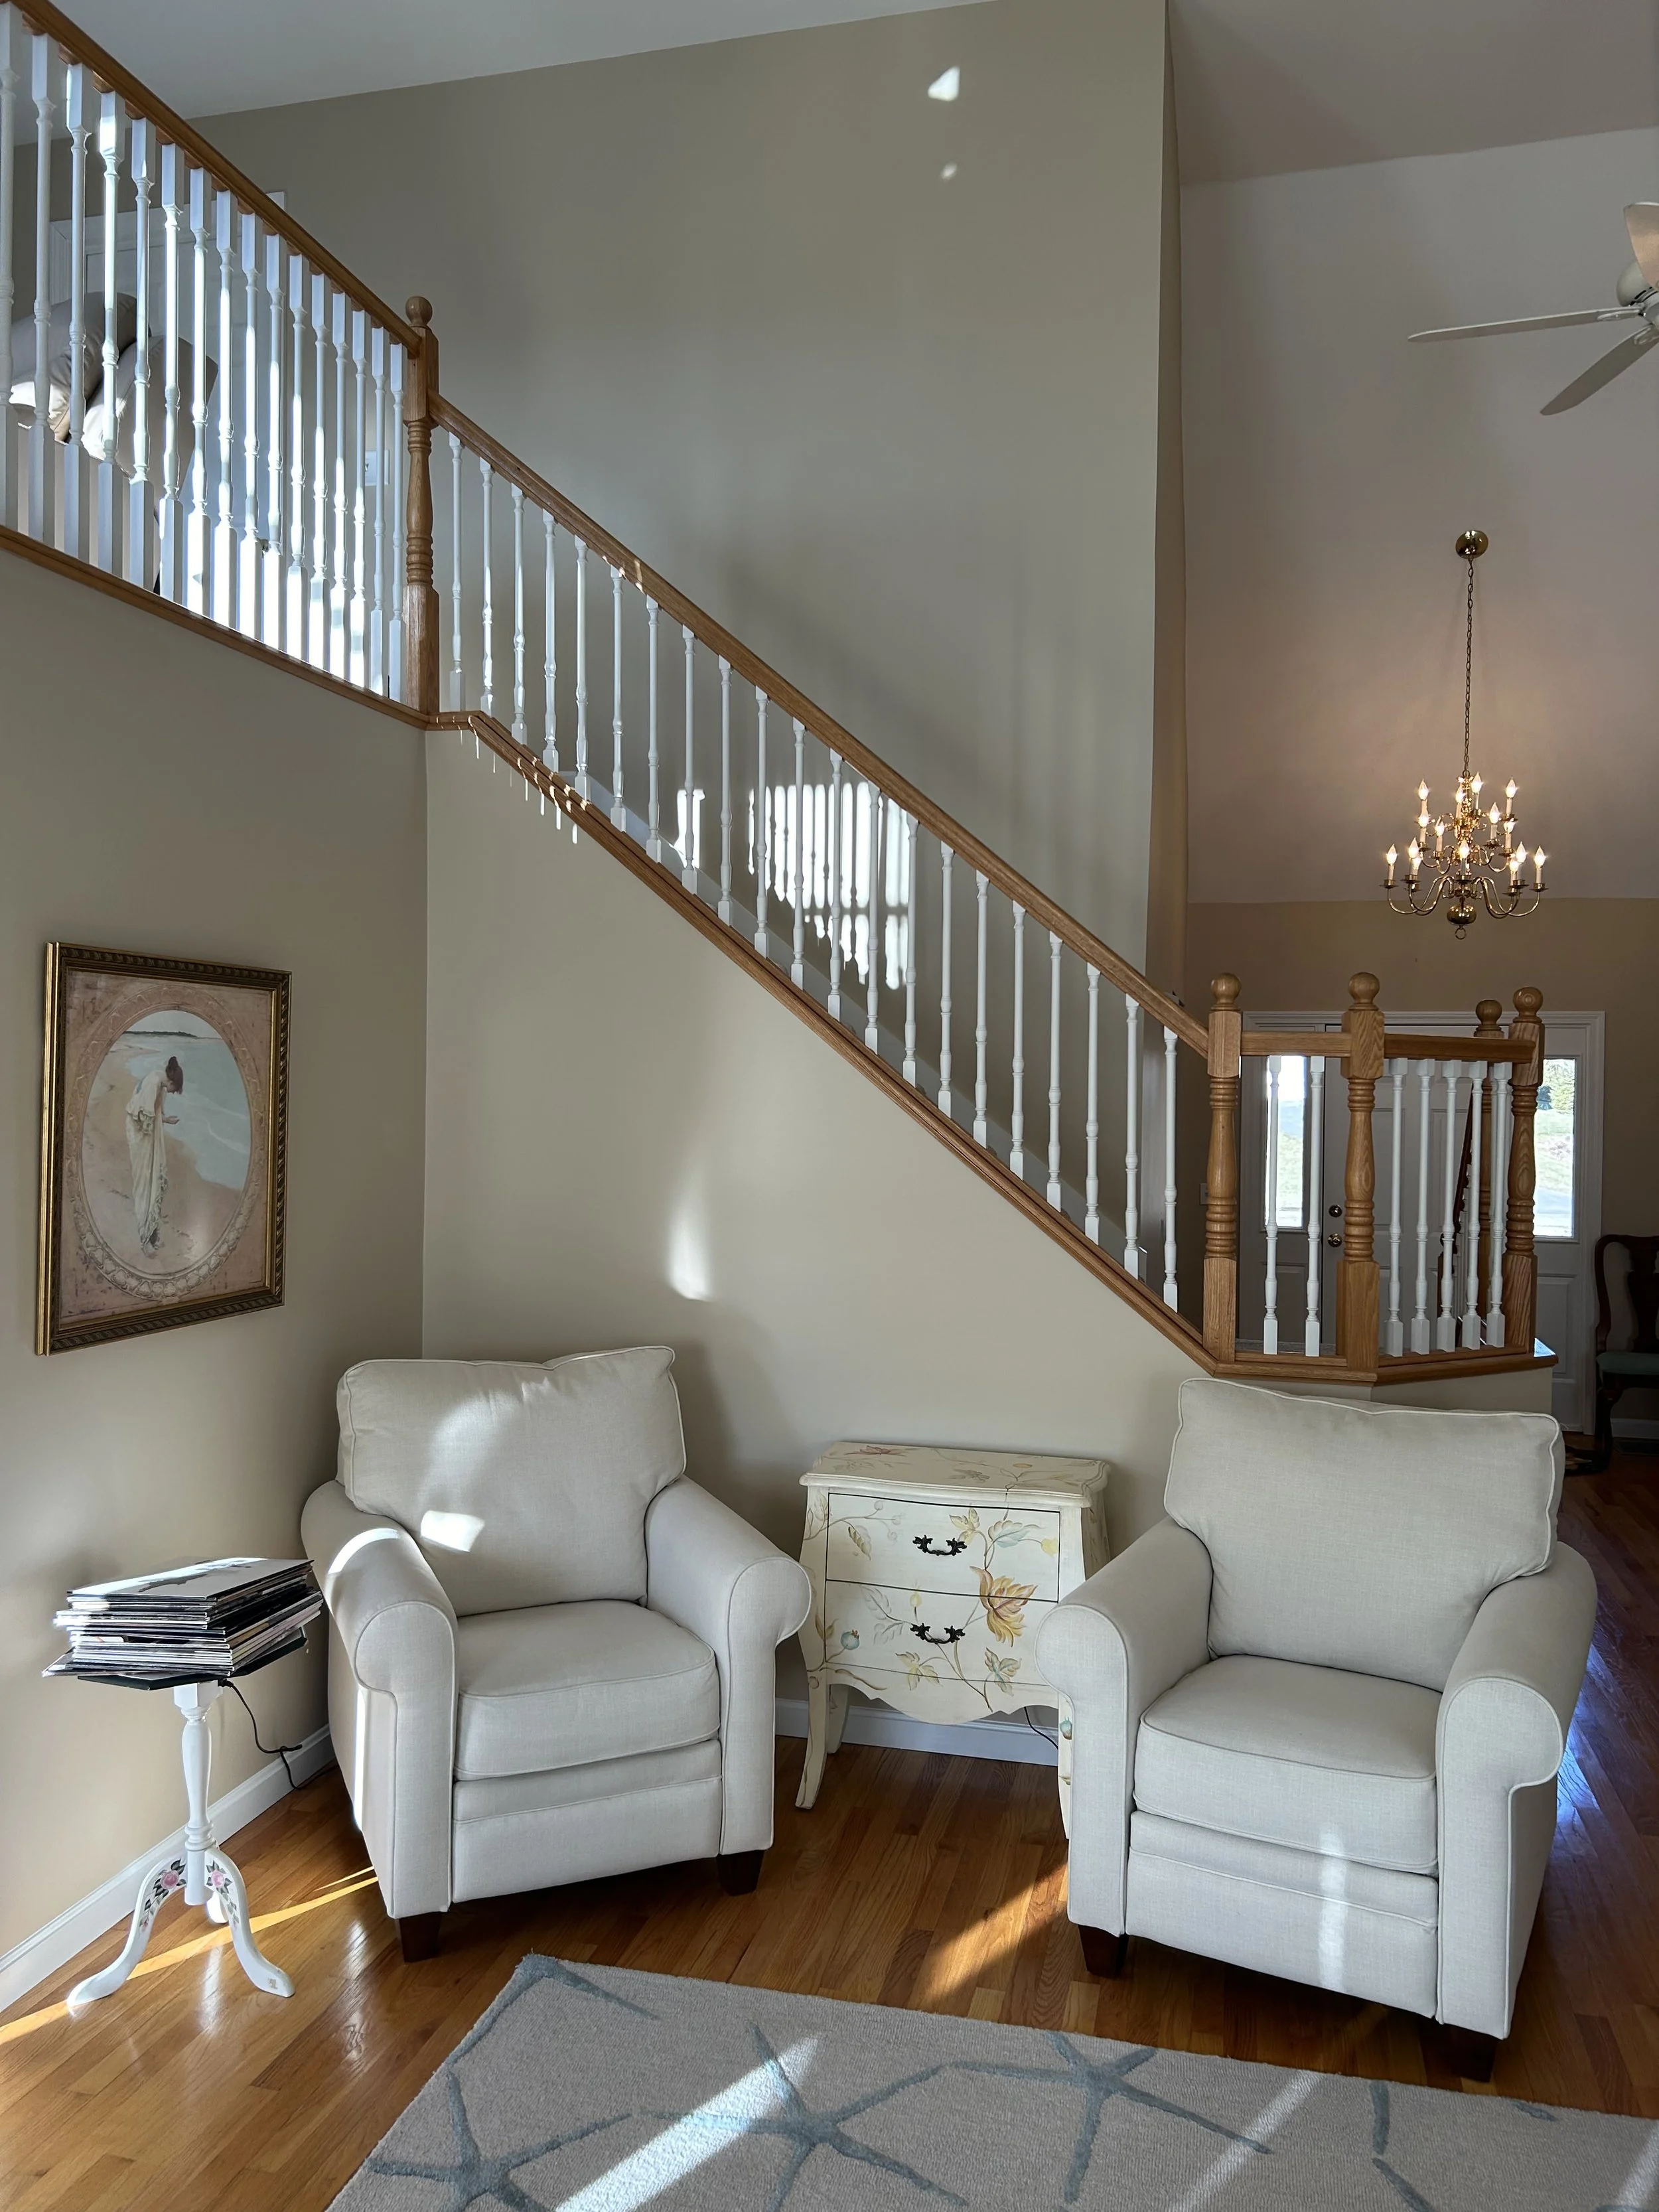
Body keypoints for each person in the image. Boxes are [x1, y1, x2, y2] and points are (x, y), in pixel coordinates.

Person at [125, 1054, 183, 1253]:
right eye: (176, 1089)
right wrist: (157, 1124)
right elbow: (145, 1118)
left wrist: (166, 1120)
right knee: (145, 1182)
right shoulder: (154, 1083)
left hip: (147, 1131)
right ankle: (145, 1239)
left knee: (155, 1179)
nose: (174, 1093)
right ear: (172, 1082)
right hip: (140, 1134)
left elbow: (154, 1113)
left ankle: (153, 1233)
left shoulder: (161, 1083)